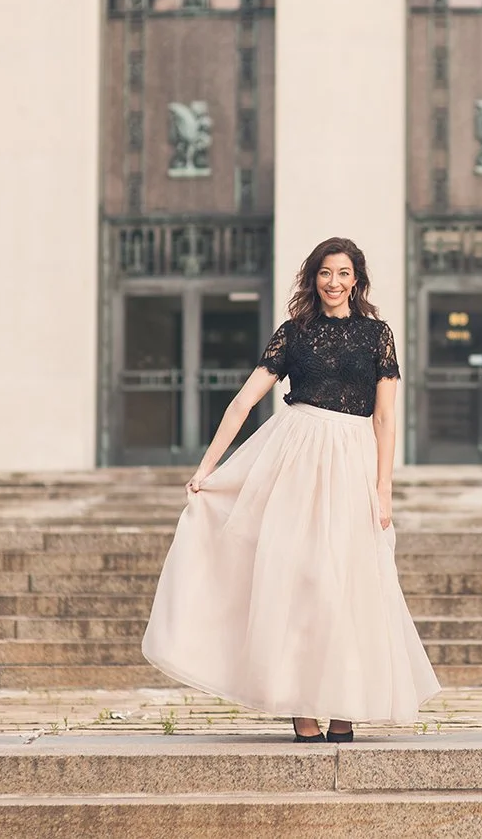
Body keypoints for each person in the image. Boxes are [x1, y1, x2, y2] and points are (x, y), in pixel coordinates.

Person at [142, 236, 440, 743]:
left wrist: (383, 488)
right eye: (325, 272)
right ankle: (300, 703)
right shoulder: (294, 334)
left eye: (344, 273)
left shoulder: (377, 336)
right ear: (313, 278)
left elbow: (386, 417)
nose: (334, 282)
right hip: (295, 458)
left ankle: (346, 700)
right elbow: (242, 402)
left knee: (349, 581)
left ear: (357, 280)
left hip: (353, 461)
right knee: (301, 580)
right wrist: (207, 468)